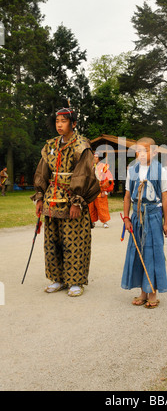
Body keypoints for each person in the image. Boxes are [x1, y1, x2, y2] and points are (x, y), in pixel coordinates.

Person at [31, 108, 101, 297]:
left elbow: (84, 174)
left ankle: (75, 281)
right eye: (57, 121)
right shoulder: (50, 145)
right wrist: (39, 196)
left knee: (74, 240)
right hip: (51, 200)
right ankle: (57, 278)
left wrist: (77, 201)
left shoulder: (81, 145)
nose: (59, 125)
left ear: (74, 124)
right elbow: (42, 172)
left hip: (72, 199)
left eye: (63, 121)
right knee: (52, 241)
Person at [121, 137, 167, 309]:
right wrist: (127, 218)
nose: (141, 154)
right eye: (138, 151)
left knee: (153, 253)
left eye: (146, 150)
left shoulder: (160, 170)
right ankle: (143, 292)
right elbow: (127, 196)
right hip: (136, 216)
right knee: (139, 252)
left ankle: (153, 293)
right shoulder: (132, 170)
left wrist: (165, 223)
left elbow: (164, 196)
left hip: (154, 215)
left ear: (155, 152)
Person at [88, 153, 114, 228]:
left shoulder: (104, 167)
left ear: (99, 158)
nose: (94, 158)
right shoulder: (90, 166)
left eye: (96, 157)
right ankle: (92, 221)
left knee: (102, 207)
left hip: (100, 189)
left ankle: (105, 222)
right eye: (93, 157)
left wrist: (104, 190)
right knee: (91, 207)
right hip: (92, 190)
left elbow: (108, 178)